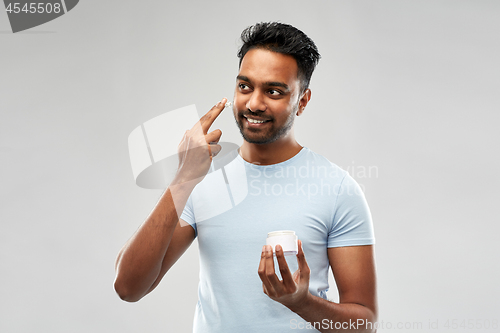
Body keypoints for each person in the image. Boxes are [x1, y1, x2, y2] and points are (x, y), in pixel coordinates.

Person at [114, 22, 377, 332]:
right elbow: (129, 288)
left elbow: (364, 323)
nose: (254, 103)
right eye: (245, 86)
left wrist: (300, 302)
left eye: (273, 91)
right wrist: (183, 177)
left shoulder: (336, 189)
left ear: (302, 102)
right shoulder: (201, 178)